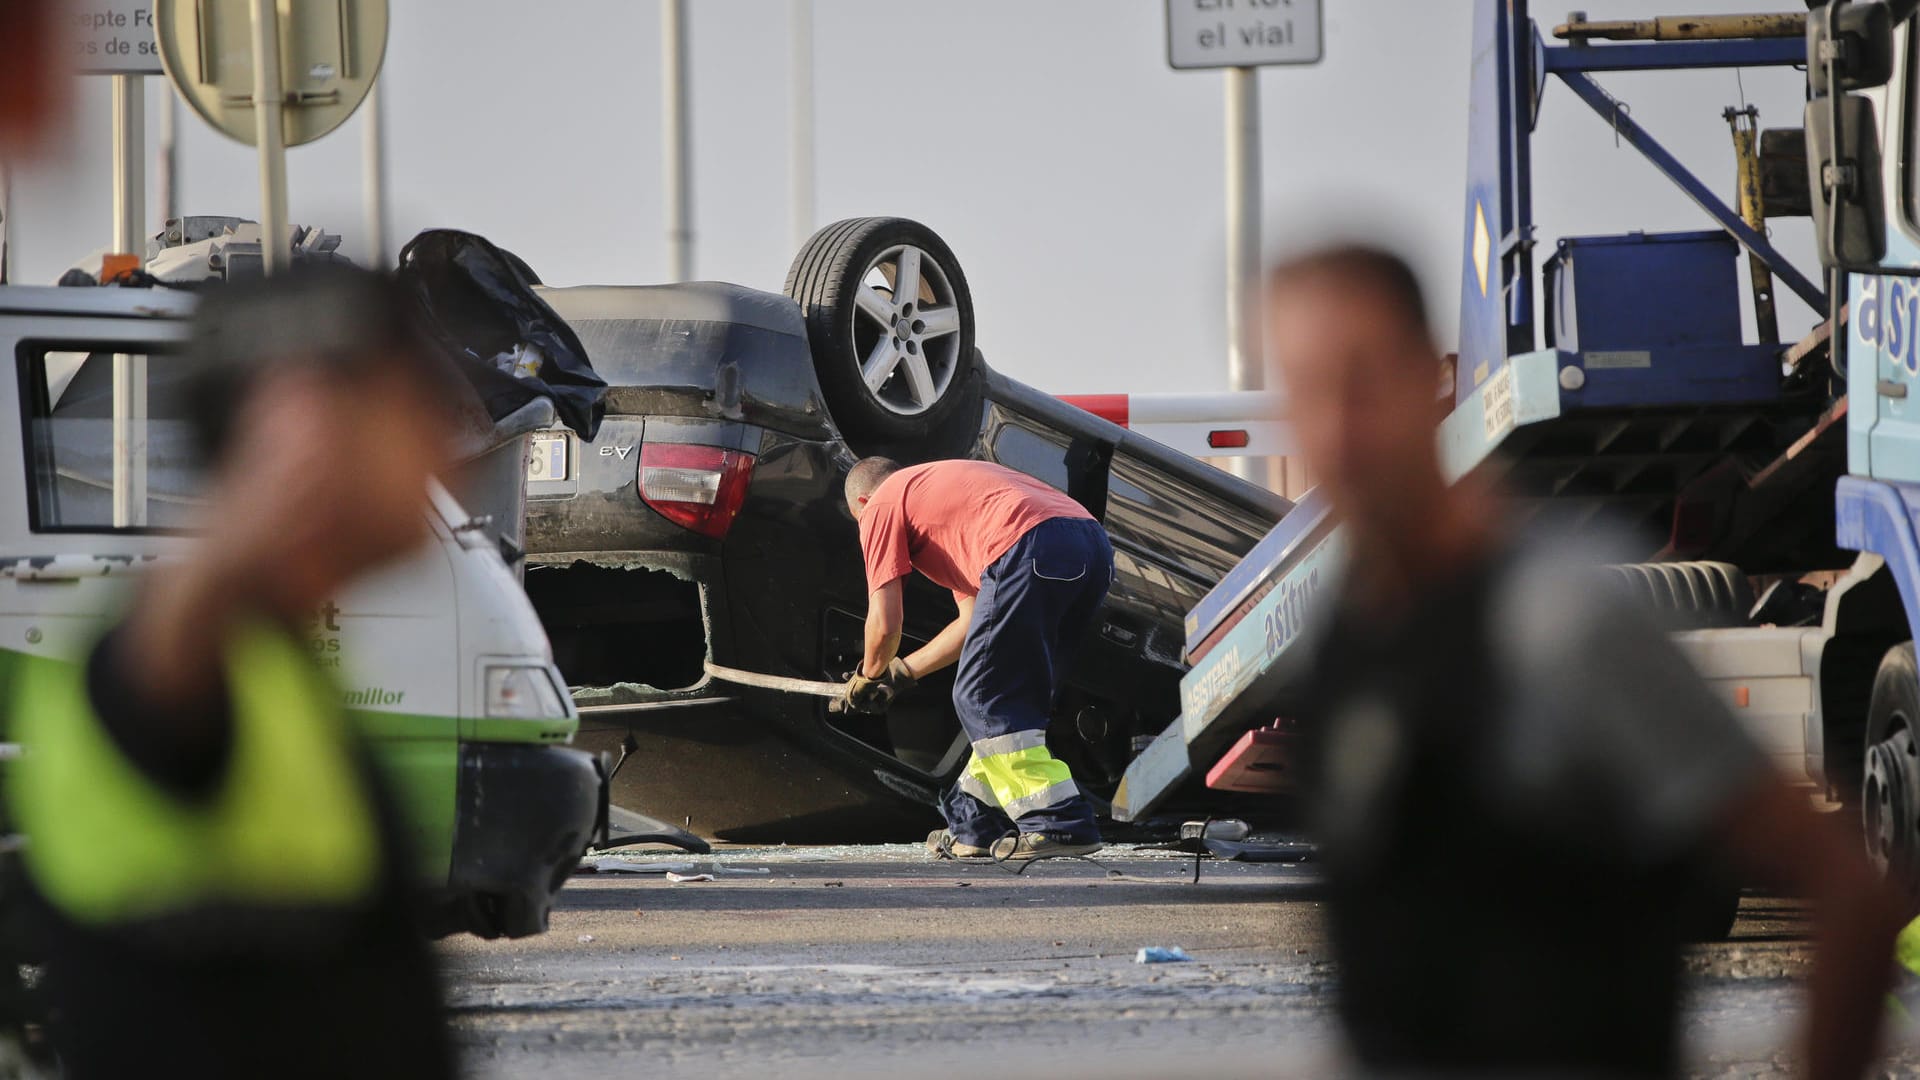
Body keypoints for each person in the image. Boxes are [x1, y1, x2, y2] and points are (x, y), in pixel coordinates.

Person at [1268, 243, 1903, 1080]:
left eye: (1366, 381)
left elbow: (1847, 890)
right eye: (1310, 392)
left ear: (1434, 378)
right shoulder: (1339, 634)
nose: (1341, 431)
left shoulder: (1557, 619)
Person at [5, 266, 460, 1078]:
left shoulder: (272, 667)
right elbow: (152, 674)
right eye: (415, 402)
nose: (446, 436)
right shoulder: (177, 658)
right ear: (308, 430)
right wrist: (242, 530)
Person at [844, 456, 1113, 861]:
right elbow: (972, 620)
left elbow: (884, 623)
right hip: (1090, 546)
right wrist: (901, 673)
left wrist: (867, 675)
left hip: (1028, 544)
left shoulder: (882, 503)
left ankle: (1060, 820)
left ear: (862, 502)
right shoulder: (943, 500)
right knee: (1011, 704)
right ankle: (976, 823)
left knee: (983, 699)